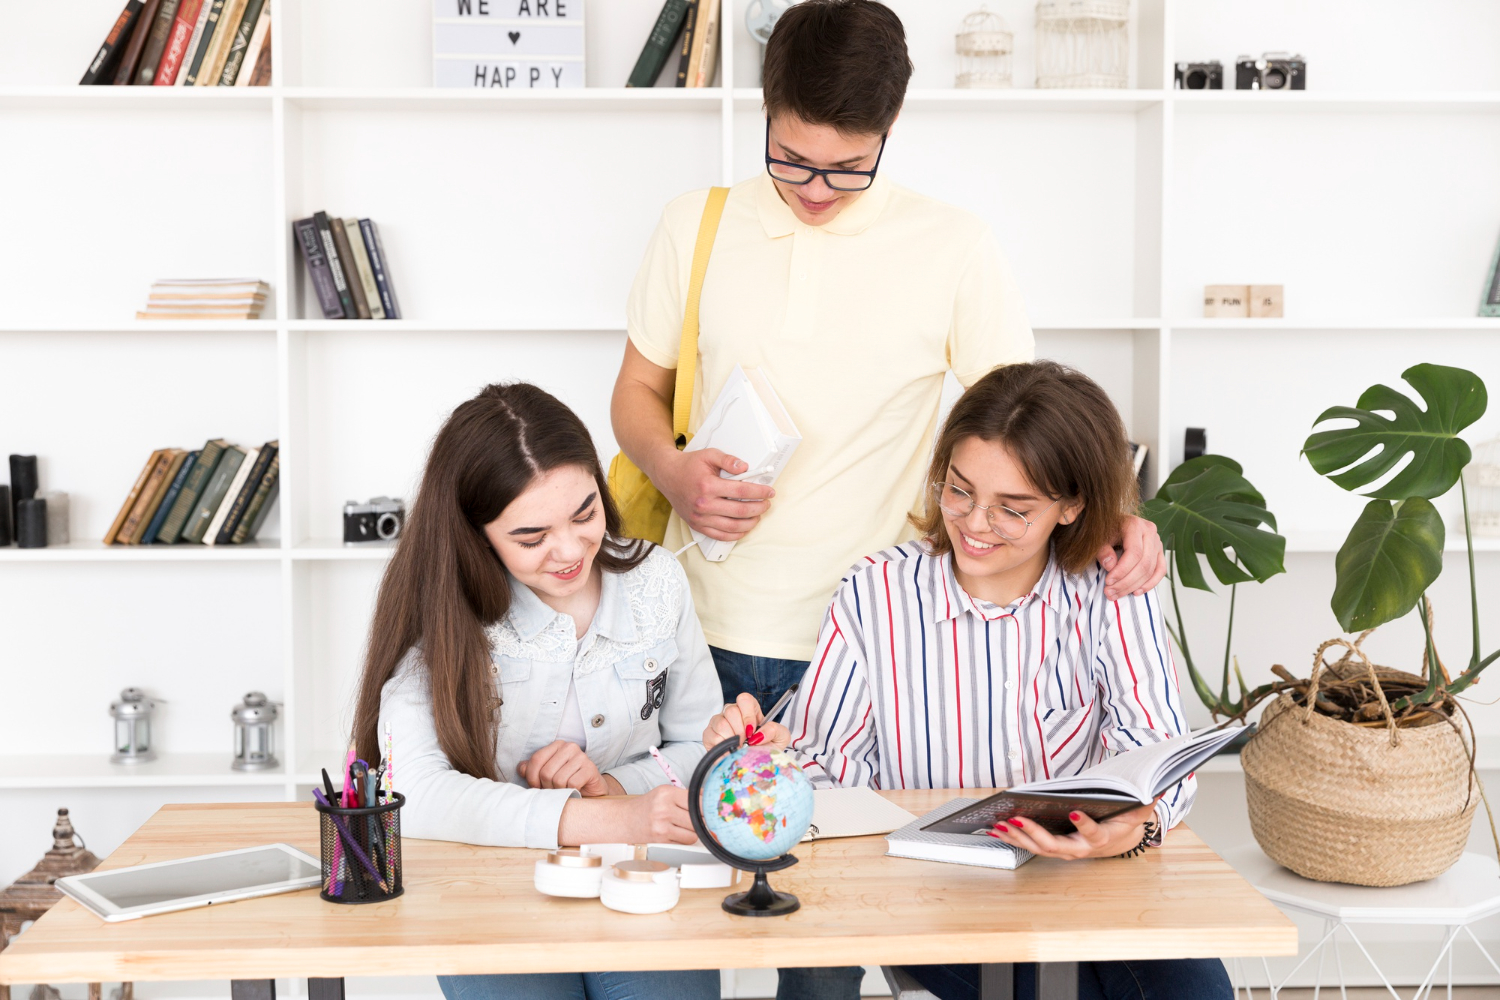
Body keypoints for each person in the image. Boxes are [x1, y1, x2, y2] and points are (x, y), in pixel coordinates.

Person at [611, 0, 1165, 726]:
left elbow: (1031, 424)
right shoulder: (694, 226)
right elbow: (636, 390)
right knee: (698, 833)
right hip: (697, 621)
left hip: (881, 631)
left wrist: (1118, 516)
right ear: (767, 109)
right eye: (791, 160)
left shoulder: (955, 247)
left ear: (891, 126)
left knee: (861, 837)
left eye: (847, 169)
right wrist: (672, 470)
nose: (814, 190)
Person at [705, 361, 1233, 1000]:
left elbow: (1156, 753)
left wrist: (1136, 826)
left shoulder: (1112, 589)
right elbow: (829, 765)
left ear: (1071, 507)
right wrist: (769, 757)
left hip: (1090, 877)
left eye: (1013, 510)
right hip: (937, 893)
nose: (975, 525)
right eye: (959, 491)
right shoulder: (877, 591)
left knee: (1198, 991)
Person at [350, 383, 722, 1000]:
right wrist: (599, 816)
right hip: (487, 888)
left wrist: (613, 787)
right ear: (477, 534)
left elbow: (697, 744)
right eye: (531, 538)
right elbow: (411, 793)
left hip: (637, 878)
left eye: (585, 513)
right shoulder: (443, 610)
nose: (572, 550)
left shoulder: (656, 580)